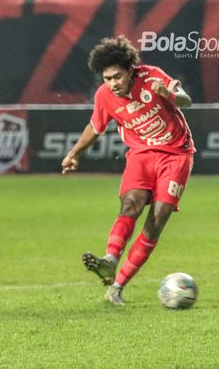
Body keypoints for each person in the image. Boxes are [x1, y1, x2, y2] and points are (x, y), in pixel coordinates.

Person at [62, 36, 195, 306]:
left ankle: (117, 287)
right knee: (131, 204)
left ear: (131, 70)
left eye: (117, 77)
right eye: (108, 78)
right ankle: (110, 260)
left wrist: (168, 93)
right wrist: (74, 153)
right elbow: (95, 128)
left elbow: (186, 100)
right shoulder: (104, 96)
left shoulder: (152, 76)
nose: (113, 84)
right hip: (141, 154)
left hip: (176, 154)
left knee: (156, 222)